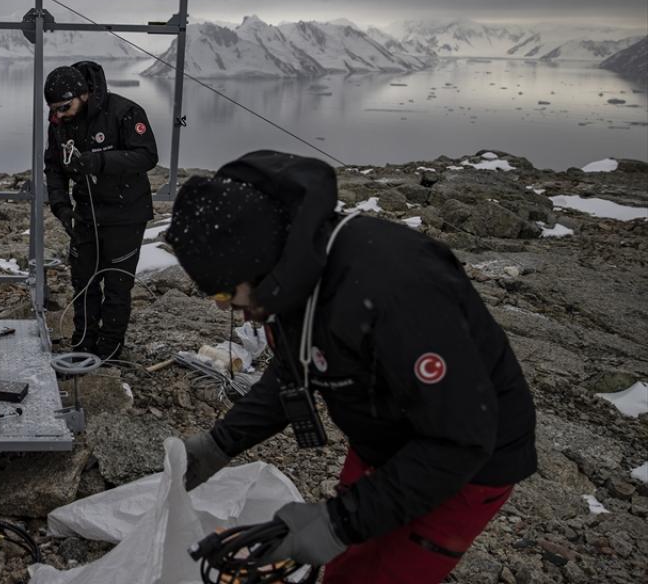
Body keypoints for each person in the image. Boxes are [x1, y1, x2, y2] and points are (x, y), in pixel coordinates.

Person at [163, 150, 536, 584]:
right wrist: (220, 443)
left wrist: (341, 521)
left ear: (256, 262)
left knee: (380, 573)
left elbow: (461, 439)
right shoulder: (292, 275)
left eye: (226, 295)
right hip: (385, 435)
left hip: (466, 463)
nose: (230, 310)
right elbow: (293, 370)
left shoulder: (399, 289)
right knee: (345, 563)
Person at [43, 60, 158, 359]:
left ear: (83, 95)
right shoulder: (59, 124)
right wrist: (61, 206)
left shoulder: (124, 112)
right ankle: (83, 344)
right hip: (86, 213)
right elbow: (53, 166)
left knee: (117, 285)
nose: (59, 115)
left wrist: (101, 162)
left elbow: (147, 155)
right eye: (54, 110)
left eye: (64, 107)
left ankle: (109, 352)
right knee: (84, 282)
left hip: (126, 214)